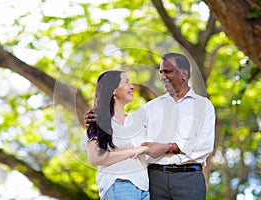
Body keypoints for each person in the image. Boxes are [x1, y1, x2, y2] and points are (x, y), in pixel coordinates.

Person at [85, 52, 215, 200]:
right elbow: (120, 125)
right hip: (155, 179)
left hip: (189, 178)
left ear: (184, 74)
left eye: (168, 71)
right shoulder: (151, 108)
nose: (162, 76)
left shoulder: (203, 106)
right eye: (161, 72)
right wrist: (94, 116)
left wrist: (168, 147)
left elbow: (204, 144)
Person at [85, 70, 150, 200]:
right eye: (126, 82)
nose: (132, 86)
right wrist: (134, 151)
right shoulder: (97, 120)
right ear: (113, 90)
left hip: (143, 188)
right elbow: (95, 158)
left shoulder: (136, 121)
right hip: (119, 184)